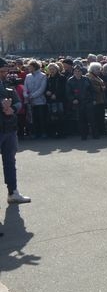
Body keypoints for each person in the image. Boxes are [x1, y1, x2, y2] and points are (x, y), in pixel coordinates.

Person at [0, 58, 30, 204]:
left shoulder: (8, 85)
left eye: (6, 70)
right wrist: (2, 106)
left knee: (10, 161)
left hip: (9, 129)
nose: (5, 73)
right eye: (2, 71)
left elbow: (18, 102)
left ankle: (13, 192)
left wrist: (12, 108)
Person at [65, 65, 93, 140]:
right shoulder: (70, 81)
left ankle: (95, 134)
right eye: (76, 71)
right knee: (81, 120)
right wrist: (73, 99)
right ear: (73, 72)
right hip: (78, 103)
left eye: (79, 71)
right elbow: (68, 93)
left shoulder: (86, 79)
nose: (77, 72)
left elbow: (91, 90)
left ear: (82, 72)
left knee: (91, 119)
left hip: (88, 101)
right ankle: (83, 135)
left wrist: (93, 99)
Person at [23, 60, 47, 139]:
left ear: (34, 67)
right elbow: (25, 87)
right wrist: (25, 95)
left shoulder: (43, 75)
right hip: (30, 101)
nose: (28, 68)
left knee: (41, 118)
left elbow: (42, 89)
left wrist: (32, 96)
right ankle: (35, 133)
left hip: (40, 101)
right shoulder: (28, 76)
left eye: (30, 66)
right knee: (33, 118)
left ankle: (43, 132)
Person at [44, 62, 67, 138]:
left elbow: (63, 89)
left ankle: (61, 133)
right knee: (51, 117)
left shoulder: (62, 77)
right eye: (50, 69)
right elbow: (46, 88)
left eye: (53, 69)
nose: (51, 71)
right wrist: (46, 92)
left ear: (57, 69)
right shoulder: (48, 78)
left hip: (60, 100)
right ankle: (53, 133)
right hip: (50, 100)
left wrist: (56, 94)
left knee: (60, 116)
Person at [86, 62, 107, 138]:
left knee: (100, 116)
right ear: (93, 70)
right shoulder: (89, 77)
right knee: (96, 117)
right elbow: (92, 87)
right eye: (98, 69)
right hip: (95, 99)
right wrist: (101, 88)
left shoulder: (96, 76)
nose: (99, 71)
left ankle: (101, 130)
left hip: (100, 99)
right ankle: (97, 131)